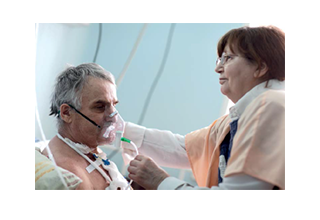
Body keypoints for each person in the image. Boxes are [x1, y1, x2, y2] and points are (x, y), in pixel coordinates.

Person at [123, 25, 285, 190]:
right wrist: (117, 129)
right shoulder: (239, 118)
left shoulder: (270, 106)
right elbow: (185, 149)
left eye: (228, 58)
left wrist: (160, 181)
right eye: (219, 59)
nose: (217, 68)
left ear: (260, 67)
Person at [42, 63, 129, 190]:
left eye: (113, 105)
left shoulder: (87, 148)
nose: (114, 117)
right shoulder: (71, 177)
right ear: (67, 113)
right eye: (100, 107)